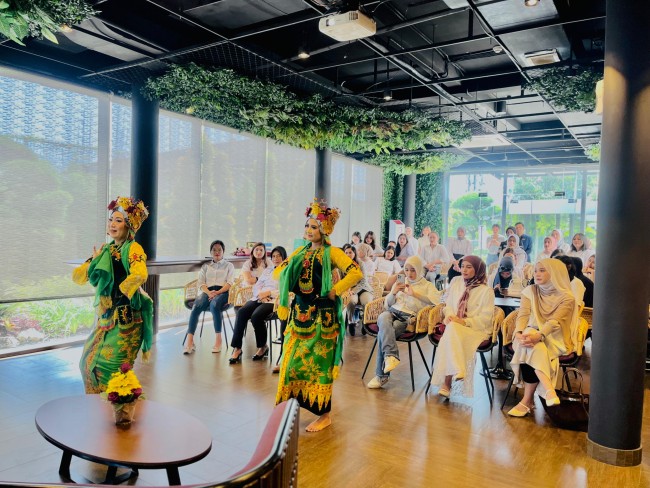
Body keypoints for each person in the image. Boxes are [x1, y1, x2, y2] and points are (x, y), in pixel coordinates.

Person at [274, 199, 362, 432]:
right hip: (298, 315)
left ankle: (325, 415)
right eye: (307, 227)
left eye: (314, 227)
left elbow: (355, 272)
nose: (309, 231)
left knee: (320, 367)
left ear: (324, 230)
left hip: (323, 319)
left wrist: (336, 290)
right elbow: (277, 273)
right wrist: (286, 273)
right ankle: (288, 408)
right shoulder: (299, 251)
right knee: (290, 361)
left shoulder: (332, 253)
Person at [73, 196, 153, 394]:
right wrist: (95, 261)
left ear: (129, 226)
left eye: (118, 220)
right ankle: (99, 411)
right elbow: (81, 275)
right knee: (87, 362)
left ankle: (124, 415)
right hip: (107, 318)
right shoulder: (107, 249)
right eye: (111, 219)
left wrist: (123, 291)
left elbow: (140, 273)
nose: (112, 224)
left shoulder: (133, 248)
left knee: (113, 371)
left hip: (128, 320)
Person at [508, 259, 575, 417]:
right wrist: (518, 333)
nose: (537, 274)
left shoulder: (567, 297)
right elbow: (523, 315)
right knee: (528, 339)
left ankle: (527, 401)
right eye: (536, 270)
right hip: (529, 334)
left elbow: (555, 322)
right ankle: (548, 390)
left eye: (543, 270)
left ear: (555, 273)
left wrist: (539, 335)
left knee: (528, 343)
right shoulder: (530, 290)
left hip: (555, 337)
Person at [367, 255, 441, 389]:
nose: (409, 274)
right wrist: (393, 293)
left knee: (383, 333)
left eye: (413, 270)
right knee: (383, 317)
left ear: (419, 269)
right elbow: (386, 305)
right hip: (392, 311)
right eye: (406, 270)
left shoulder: (427, 285)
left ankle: (381, 376)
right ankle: (391, 356)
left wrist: (415, 294)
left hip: (408, 318)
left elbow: (437, 302)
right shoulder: (401, 282)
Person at [430, 256, 495, 398]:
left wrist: (464, 322)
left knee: (452, 331)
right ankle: (457, 370)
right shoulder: (456, 283)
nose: (464, 270)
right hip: (455, 326)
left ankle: (447, 383)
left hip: (476, 329)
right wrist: (450, 316)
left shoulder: (486, 291)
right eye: (463, 266)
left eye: (469, 267)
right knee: (453, 329)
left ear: (478, 270)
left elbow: (485, 319)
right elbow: (448, 306)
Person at [229, 246, 287, 364]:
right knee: (241, 312)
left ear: (284, 257)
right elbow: (257, 285)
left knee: (256, 316)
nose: (276, 258)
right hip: (259, 297)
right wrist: (261, 294)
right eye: (274, 256)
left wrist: (269, 293)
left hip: (274, 301)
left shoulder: (286, 271)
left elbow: (286, 290)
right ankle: (237, 348)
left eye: (279, 256)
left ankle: (262, 347)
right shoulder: (268, 270)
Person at [183, 239, 235, 355]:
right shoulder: (206, 266)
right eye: (214, 250)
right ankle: (190, 341)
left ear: (223, 251)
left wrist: (217, 292)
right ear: (211, 252)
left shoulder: (229, 266)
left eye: (219, 250)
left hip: (223, 292)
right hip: (208, 291)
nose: (217, 252)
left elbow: (230, 283)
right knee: (196, 306)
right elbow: (201, 283)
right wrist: (209, 292)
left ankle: (218, 339)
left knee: (215, 305)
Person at [345, 243, 376, 335]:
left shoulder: (360, 263)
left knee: (366, 302)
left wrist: (353, 291)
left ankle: (365, 323)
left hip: (364, 288)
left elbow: (363, 281)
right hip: (350, 289)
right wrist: (348, 290)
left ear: (354, 253)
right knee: (351, 302)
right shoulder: (342, 264)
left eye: (350, 252)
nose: (348, 254)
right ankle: (351, 322)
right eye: (346, 252)